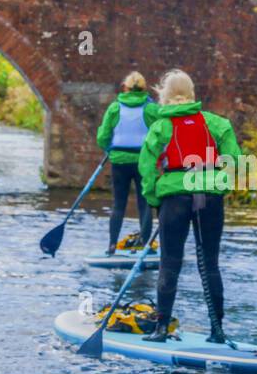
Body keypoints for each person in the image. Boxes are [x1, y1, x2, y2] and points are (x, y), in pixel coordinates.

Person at [137, 70, 241, 344]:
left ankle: (160, 330)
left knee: (169, 263)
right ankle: (217, 331)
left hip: (175, 198)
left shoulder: (160, 128)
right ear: (193, 94)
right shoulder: (218, 124)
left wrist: (154, 200)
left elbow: (147, 169)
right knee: (210, 265)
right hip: (209, 197)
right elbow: (235, 162)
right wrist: (220, 186)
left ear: (165, 96)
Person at [96, 70, 158, 253]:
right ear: (144, 88)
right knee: (144, 203)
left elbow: (102, 137)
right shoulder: (151, 109)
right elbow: (160, 133)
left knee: (118, 204)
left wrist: (109, 149)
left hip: (119, 163)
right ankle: (146, 245)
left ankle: (112, 245)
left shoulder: (115, 108)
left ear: (125, 88)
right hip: (143, 163)